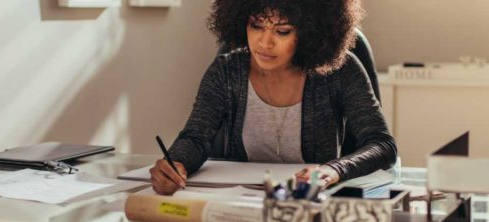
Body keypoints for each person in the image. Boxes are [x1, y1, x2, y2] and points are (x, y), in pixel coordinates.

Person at [150, 0, 395, 198]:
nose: (265, 43)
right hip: (240, 207)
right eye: (256, 26)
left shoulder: (340, 71)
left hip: (311, 208)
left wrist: (334, 170)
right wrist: (176, 164)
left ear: (311, 32)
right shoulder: (226, 71)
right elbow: (196, 137)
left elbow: (382, 145)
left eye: (282, 31)